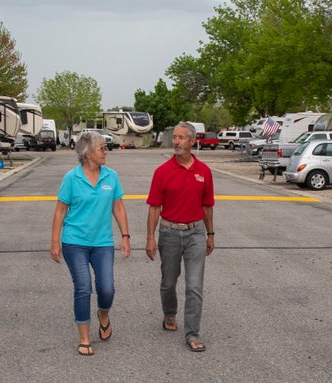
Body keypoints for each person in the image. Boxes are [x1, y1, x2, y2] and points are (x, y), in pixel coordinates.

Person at [51, 131, 130, 356]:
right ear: (87, 153)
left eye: (106, 148)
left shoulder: (111, 177)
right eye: (101, 148)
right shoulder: (71, 178)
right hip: (74, 242)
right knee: (83, 287)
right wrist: (55, 241)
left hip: (102, 242)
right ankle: (84, 337)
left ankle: (103, 314)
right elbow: (60, 211)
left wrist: (125, 236)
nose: (106, 152)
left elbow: (118, 208)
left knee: (106, 288)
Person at [144, 121, 216, 352]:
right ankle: (169, 313)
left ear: (192, 141)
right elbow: (154, 207)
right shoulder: (162, 172)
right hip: (169, 233)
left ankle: (192, 333)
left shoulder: (204, 171)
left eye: (181, 137)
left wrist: (210, 234)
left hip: (195, 233)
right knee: (168, 282)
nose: (176, 141)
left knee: (194, 286)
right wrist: (150, 238)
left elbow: (207, 206)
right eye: (174, 137)